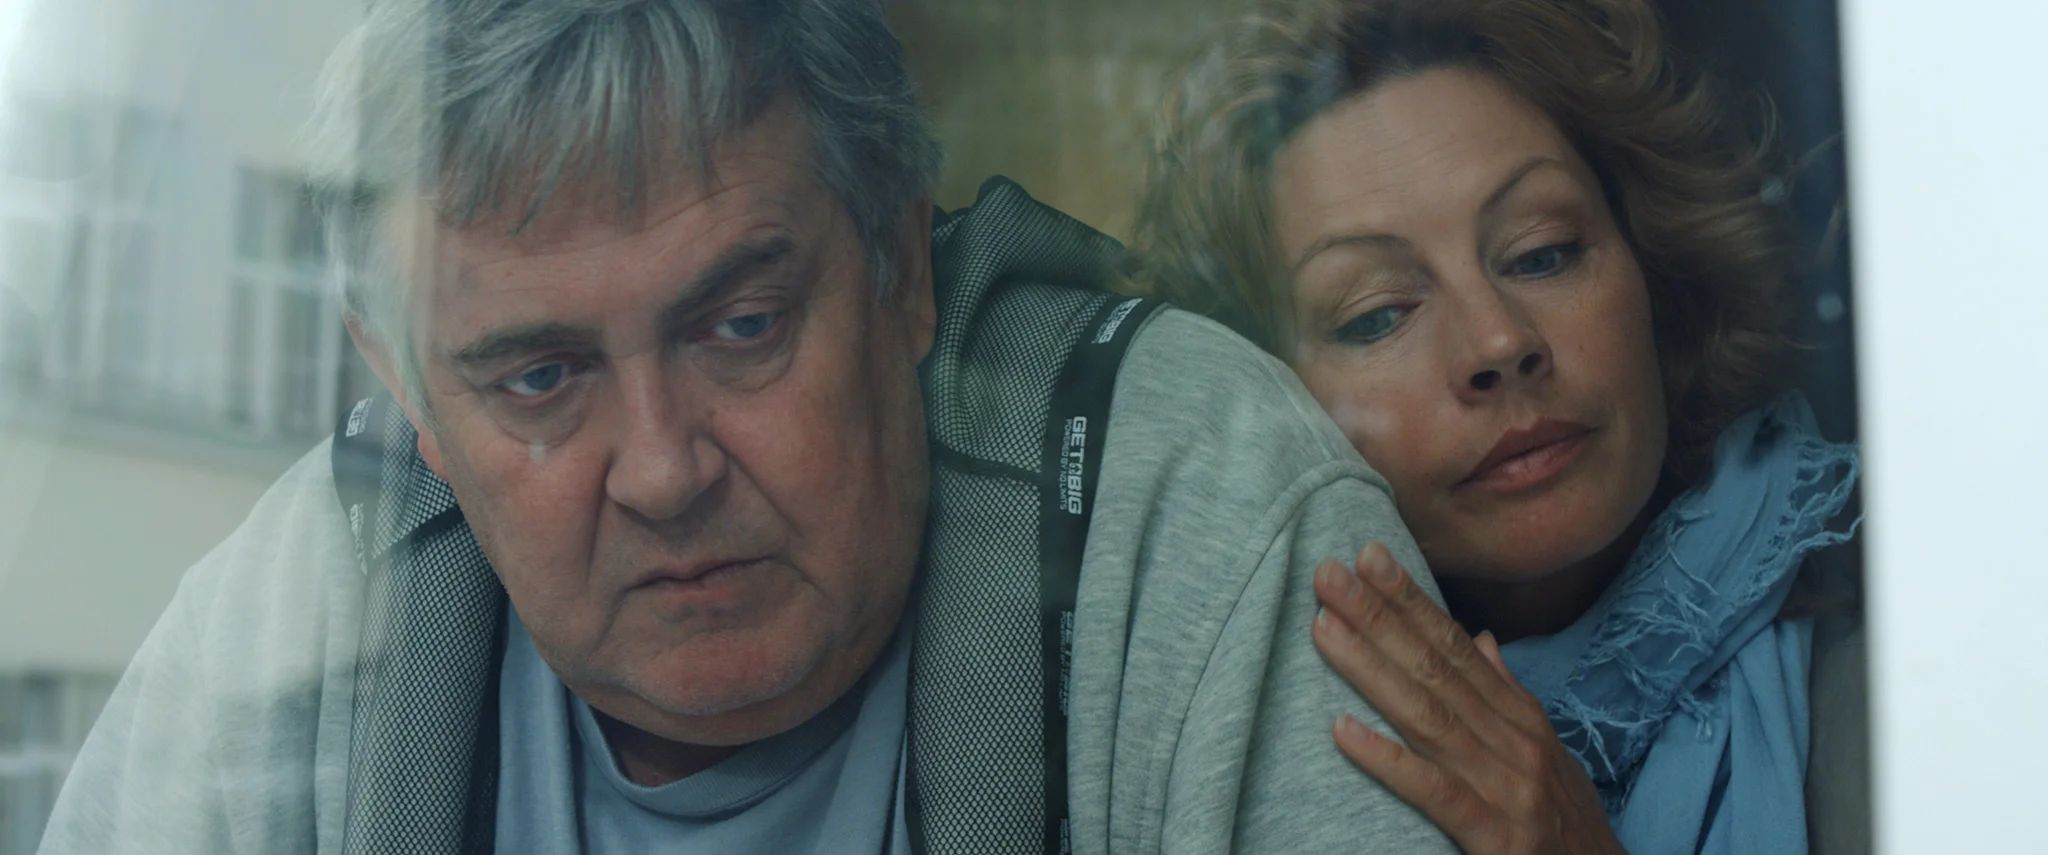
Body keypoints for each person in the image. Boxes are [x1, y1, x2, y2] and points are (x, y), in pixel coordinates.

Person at [38, 1, 1463, 853]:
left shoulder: (1186, 490)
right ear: (405, 395)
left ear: (899, 266)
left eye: (741, 326)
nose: (665, 468)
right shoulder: (294, 614)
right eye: (538, 379)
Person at [1126, 0, 1862, 853]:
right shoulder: (1232, 767)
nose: (1500, 342)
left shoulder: (1891, 678)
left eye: (1542, 253)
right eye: (1377, 314)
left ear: (1653, 269)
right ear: (1267, 400)